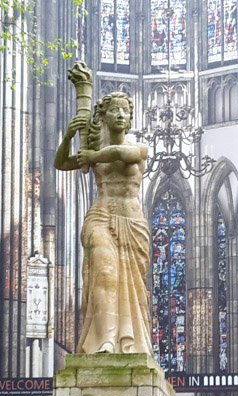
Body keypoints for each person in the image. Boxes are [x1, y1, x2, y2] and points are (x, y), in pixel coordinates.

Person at [54, 92, 152, 355]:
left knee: (130, 288)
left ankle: (129, 343)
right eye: (115, 110)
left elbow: (121, 152)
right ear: (104, 116)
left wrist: (91, 156)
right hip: (101, 215)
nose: (121, 115)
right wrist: (68, 137)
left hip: (132, 223)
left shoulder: (138, 148)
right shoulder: (94, 148)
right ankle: (105, 341)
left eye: (125, 111)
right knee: (105, 274)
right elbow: (61, 163)